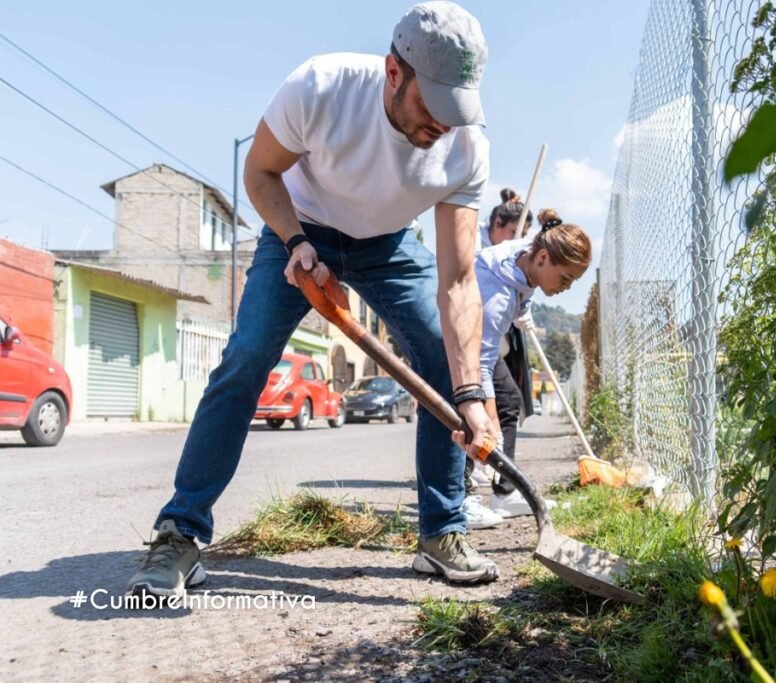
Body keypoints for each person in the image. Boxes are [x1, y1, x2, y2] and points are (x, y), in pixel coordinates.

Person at [127, 1, 502, 597]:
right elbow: (259, 173)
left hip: (389, 243)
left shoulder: (465, 148)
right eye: (433, 103)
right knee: (246, 357)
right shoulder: (321, 87)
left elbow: (457, 283)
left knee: (440, 357)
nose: (444, 125)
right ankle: (180, 533)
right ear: (394, 71)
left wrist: (472, 398)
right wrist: (295, 241)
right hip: (301, 229)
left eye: (457, 108)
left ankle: (442, 532)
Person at [456, 209, 590, 514]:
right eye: (565, 278)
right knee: (467, 408)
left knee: (509, 401)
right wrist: (488, 418)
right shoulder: (498, 296)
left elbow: (538, 242)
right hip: (455, 342)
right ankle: (458, 499)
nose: (567, 287)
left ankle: (504, 492)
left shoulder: (531, 252)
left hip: (478, 343)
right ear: (542, 258)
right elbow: (480, 363)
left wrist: (523, 309)